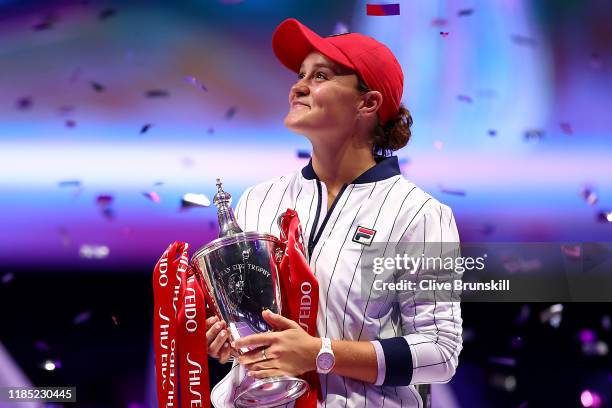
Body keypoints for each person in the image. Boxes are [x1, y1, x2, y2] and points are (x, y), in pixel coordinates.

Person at [206, 18, 463, 407]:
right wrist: (230, 340)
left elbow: (439, 353)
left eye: (321, 75)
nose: (299, 86)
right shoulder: (258, 200)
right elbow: (248, 323)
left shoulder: (417, 214)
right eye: (301, 74)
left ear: (368, 102)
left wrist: (320, 354)